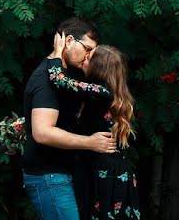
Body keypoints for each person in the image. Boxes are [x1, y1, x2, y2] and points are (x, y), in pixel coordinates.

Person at [22, 17, 118, 220]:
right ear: (68, 41)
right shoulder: (46, 80)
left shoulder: (68, 76)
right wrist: (90, 143)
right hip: (49, 176)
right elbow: (42, 132)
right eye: (88, 49)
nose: (90, 56)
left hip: (62, 175)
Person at [48, 33, 141, 219]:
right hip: (100, 167)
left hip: (107, 172)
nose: (84, 57)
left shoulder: (102, 92)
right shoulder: (99, 92)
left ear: (98, 67)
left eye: (89, 56)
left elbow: (58, 80)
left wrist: (57, 52)